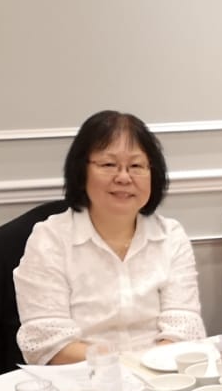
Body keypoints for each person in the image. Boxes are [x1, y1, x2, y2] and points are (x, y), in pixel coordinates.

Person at [14, 109, 206, 364]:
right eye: (108, 165)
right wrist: (124, 365)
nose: (124, 177)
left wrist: (149, 369)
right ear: (81, 171)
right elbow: (47, 344)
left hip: (161, 377)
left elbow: (185, 330)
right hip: (81, 379)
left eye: (136, 166)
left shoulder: (171, 236)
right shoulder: (50, 240)